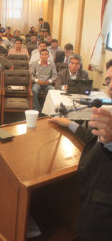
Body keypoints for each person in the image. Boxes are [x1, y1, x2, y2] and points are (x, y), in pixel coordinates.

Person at [50, 59, 112, 241]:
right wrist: (70, 124)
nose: (110, 87)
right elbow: (94, 140)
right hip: (90, 208)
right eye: (108, 81)